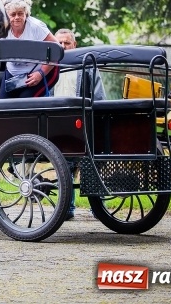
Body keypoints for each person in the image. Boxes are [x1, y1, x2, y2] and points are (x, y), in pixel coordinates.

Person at [53, 28, 105, 220]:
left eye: (67, 43)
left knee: (90, 163)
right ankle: (67, 209)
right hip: (58, 122)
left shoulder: (87, 66)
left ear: (74, 45)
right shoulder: (50, 66)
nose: (63, 46)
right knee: (63, 164)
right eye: (59, 43)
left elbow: (99, 96)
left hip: (85, 121)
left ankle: (99, 209)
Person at [0, 0, 59, 98]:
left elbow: (56, 50)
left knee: (24, 104)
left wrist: (41, 73)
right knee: (3, 106)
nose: (17, 17)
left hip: (42, 70)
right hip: (13, 74)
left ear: (26, 14)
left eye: (20, 13)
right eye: (13, 14)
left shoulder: (36, 27)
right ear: (7, 16)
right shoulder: (1, 28)